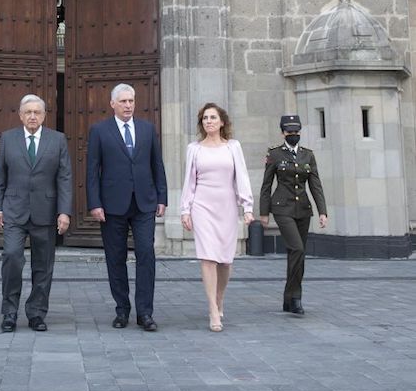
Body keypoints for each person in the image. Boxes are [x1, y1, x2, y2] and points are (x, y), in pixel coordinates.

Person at [86, 83, 167, 332]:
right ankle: (122, 310)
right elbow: (92, 170)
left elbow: (157, 165)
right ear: (112, 104)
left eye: (131, 101)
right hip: (112, 205)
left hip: (144, 203)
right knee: (115, 258)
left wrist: (162, 197)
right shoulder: (99, 131)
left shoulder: (147, 129)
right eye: (123, 101)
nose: (128, 105)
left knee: (146, 254)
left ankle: (145, 313)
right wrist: (95, 203)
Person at [0, 95, 72, 333]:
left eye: (37, 112)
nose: (33, 116)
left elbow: (64, 178)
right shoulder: (8, 138)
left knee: (43, 266)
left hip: (45, 212)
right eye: (28, 112)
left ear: (45, 115)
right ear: (20, 115)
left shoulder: (57, 140)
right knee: (12, 257)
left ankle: (37, 312)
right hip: (14, 211)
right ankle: (9, 312)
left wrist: (64, 212)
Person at [180, 103, 254, 332]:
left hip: (227, 206)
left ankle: (220, 298)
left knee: (225, 260)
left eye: (213, 117)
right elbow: (189, 181)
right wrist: (185, 209)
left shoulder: (233, 147)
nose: (209, 121)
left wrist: (247, 206)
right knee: (208, 258)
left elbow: (241, 175)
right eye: (205, 118)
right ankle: (213, 308)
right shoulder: (194, 148)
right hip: (202, 205)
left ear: (222, 122)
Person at [259, 114, 328, 316]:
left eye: (296, 132)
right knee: (297, 249)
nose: (293, 135)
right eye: (290, 132)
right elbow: (266, 185)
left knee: (296, 254)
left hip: (303, 210)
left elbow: (316, 184)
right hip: (282, 208)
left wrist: (322, 211)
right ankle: (295, 297)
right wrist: (264, 213)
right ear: (283, 133)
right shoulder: (275, 154)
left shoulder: (308, 155)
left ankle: (288, 300)